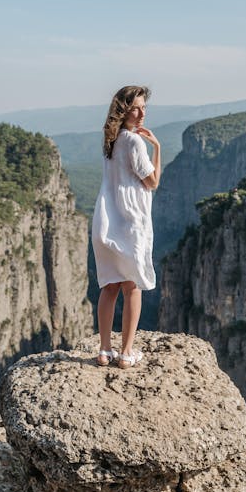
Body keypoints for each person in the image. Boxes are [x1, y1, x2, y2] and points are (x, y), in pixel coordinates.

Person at [91, 85, 161, 369]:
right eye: (136, 107)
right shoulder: (135, 142)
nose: (142, 113)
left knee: (109, 287)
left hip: (107, 220)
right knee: (132, 286)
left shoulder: (111, 139)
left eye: (144, 107)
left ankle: (105, 350)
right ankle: (127, 352)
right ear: (124, 109)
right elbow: (152, 182)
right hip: (131, 220)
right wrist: (157, 146)